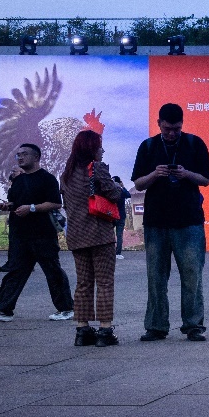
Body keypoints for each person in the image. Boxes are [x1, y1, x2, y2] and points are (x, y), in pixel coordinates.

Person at [132, 103, 209, 342]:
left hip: (189, 221)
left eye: (176, 129)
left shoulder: (195, 144)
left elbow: (205, 180)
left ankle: (193, 325)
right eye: (167, 129)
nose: (171, 133)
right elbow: (138, 184)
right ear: (159, 124)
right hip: (156, 221)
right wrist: (155, 174)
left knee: (192, 276)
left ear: (182, 124)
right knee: (156, 277)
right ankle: (156, 326)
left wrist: (186, 174)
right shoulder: (148, 146)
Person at [0, 143, 75, 323]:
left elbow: (55, 203)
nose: (20, 157)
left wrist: (31, 208)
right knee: (15, 271)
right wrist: (7, 206)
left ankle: (66, 308)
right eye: (18, 155)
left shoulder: (47, 179)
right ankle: (3, 309)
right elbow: (15, 202)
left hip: (42, 234)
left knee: (52, 270)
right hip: (20, 234)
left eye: (24, 154)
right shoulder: (18, 180)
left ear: (36, 157)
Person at [60, 130, 124, 347]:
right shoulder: (97, 168)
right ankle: (105, 331)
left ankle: (82, 330)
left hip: (77, 235)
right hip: (100, 234)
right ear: (91, 148)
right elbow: (114, 194)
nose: (102, 150)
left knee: (83, 283)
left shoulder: (66, 174)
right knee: (104, 282)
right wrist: (117, 186)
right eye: (99, 146)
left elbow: (68, 205)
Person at [112, 177, 131, 260]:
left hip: (112, 215)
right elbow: (128, 195)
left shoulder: (111, 191)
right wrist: (123, 186)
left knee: (109, 234)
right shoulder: (121, 191)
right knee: (119, 235)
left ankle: (110, 251)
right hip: (121, 216)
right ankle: (118, 253)